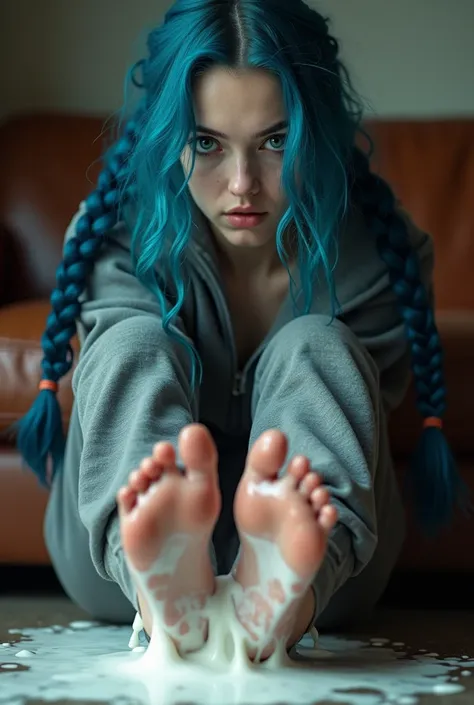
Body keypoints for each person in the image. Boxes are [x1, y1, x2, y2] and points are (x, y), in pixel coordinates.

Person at [13, 0, 464, 662]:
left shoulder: (375, 252)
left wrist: (297, 553)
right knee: (132, 342)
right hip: (110, 568)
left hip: (329, 578)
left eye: (276, 141)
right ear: (168, 137)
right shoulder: (117, 234)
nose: (242, 184)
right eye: (207, 144)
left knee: (318, 346)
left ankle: (280, 598)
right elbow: (119, 375)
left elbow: (350, 410)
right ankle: (160, 585)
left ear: (318, 130)